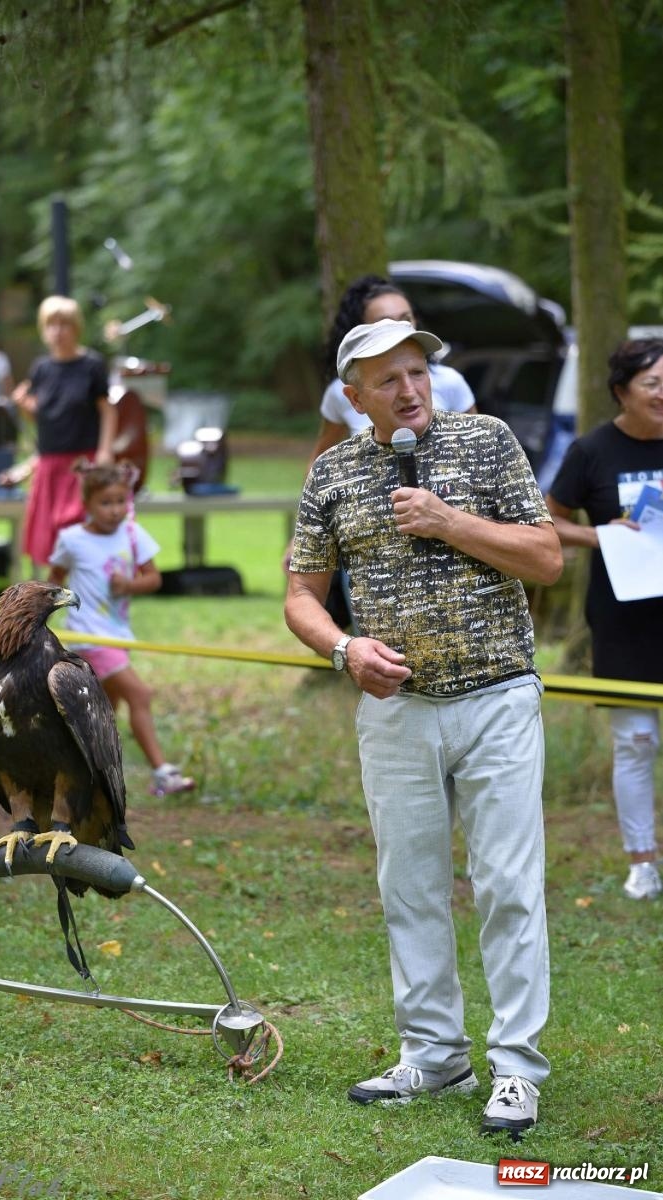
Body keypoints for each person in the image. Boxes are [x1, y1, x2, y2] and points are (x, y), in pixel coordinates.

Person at [284, 318, 562, 1136]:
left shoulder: (487, 442)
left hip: (497, 698)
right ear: (353, 396)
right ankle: (433, 1054)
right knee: (408, 887)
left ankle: (514, 1069)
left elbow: (545, 556)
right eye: (388, 379)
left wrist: (449, 522)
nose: (408, 390)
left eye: (417, 372)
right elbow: (301, 594)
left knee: (509, 886)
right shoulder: (331, 472)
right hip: (395, 710)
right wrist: (342, 649)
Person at [545, 338, 663, 901]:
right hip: (623, 618)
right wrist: (602, 536)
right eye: (653, 383)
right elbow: (549, 520)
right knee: (636, 741)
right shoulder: (591, 451)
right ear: (622, 391)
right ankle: (642, 863)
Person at [283, 275, 475, 577]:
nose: (408, 391)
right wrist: (304, 535)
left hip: (449, 536)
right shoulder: (339, 393)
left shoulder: (450, 383)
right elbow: (320, 463)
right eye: (385, 323)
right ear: (356, 398)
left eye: (406, 319)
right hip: (368, 540)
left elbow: (477, 452)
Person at [48, 461, 196, 798]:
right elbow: (52, 580)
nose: (115, 510)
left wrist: (128, 585)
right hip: (89, 637)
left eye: (120, 502)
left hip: (118, 635)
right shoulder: (71, 540)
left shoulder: (132, 534)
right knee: (140, 695)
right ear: (87, 504)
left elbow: (154, 579)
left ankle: (83, 775)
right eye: (106, 502)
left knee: (104, 711)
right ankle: (163, 774)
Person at [13, 295, 118, 571]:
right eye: (51, 325)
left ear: (75, 328)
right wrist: (24, 406)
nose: (57, 331)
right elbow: (41, 416)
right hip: (50, 463)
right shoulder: (41, 369)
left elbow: (108, 410)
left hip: (82, 461)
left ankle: (93, 589)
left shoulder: (91, 366)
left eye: (64, 325)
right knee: (50, 539)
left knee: (79, 527)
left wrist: (105, 451)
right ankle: (51, 597)